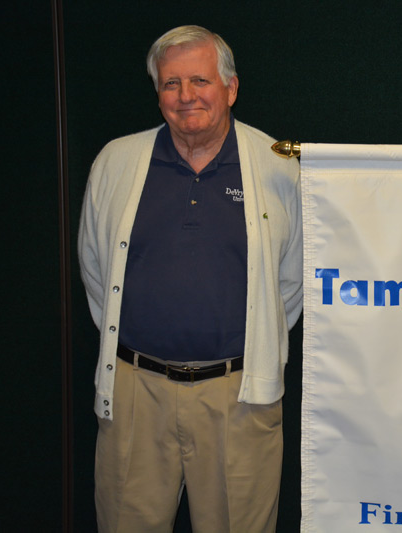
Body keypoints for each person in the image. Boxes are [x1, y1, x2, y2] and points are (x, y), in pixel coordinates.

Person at [78, 25, 302, 532]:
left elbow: (290, 282)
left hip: (238, 398)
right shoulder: (116, 161)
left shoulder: (277, 167)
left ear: (231, 87)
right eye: (170, 83)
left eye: (199, 80)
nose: (185, 97)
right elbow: (95, 268)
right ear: (157, 93)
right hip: (135, 393)